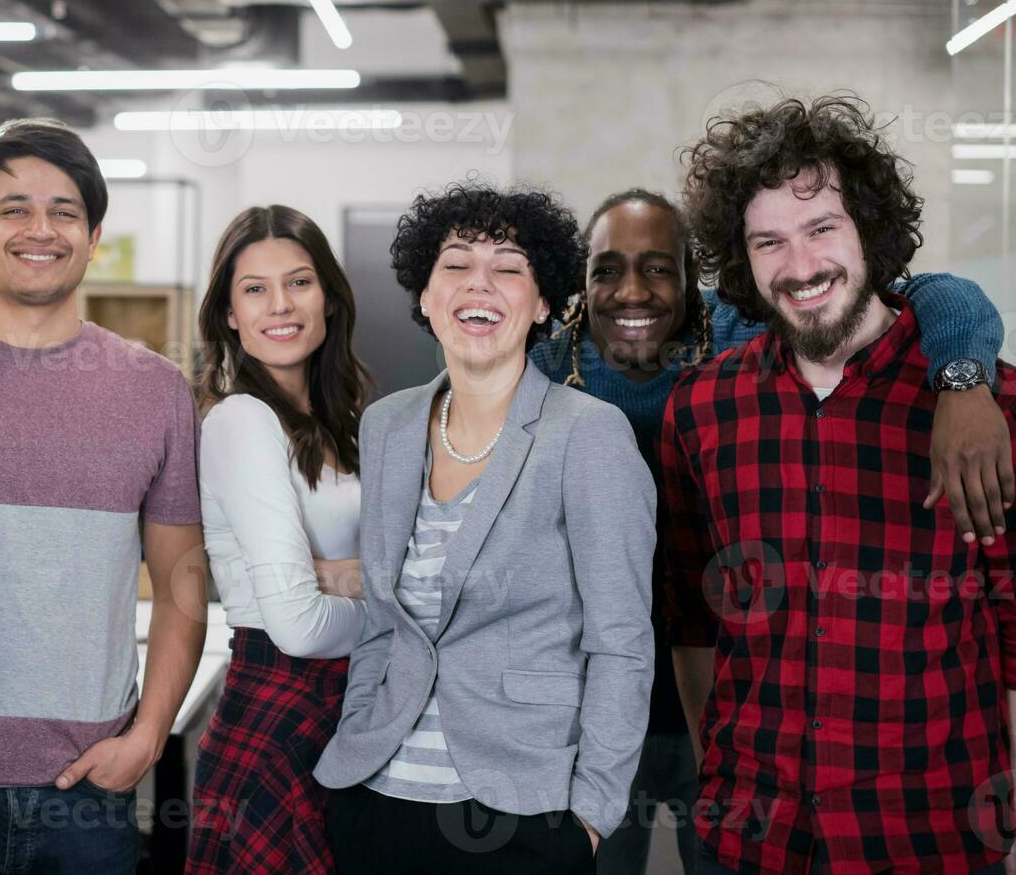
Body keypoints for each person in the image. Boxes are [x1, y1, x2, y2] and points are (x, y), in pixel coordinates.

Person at [529, 189, 1007, 875]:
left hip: (738, 706)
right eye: (606, 269)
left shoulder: (738, 332)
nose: (632, 290)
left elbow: (936, 290)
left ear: (694, 274)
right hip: (589, 712)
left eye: (659, 267)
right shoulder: (542, 369)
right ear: (581, 281)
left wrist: (962, 378)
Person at [663, 95, 1016, 874]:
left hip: (930, 836)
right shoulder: (701, 409)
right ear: (743, 262)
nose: (801, 266)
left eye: (822, 228)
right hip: (751, 837)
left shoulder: (987, 409)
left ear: (870, 233)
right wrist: (717, 776)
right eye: (769, 243)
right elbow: (693, 620)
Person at [314, 182, 657, 873]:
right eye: (456, 263)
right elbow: (383, 623)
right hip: (377, 800)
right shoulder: (388, 425)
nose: (480, 284)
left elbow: (622, 645)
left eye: (508, 267)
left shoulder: (588, 435)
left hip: (523, 811)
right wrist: (358, 734)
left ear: (542, 304)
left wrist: (591, 814)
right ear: (424, 294)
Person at [0, 118, 207, 874]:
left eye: (64, 212)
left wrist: (149, 734)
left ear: (94, 235)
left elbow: (182, 585)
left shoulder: (156, 390)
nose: (41, 230)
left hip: (87, 790)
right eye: (14, 210)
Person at [186, 205, 372, 874]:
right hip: (279, 711)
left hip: (342, 710)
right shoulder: (242, 419)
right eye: (254, 289)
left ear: (328, 296)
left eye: (299, 282)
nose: (280, 305)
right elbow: (294, 622)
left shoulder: (343, 420)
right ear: (229, 314)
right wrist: (390, 597)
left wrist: (342, 574)